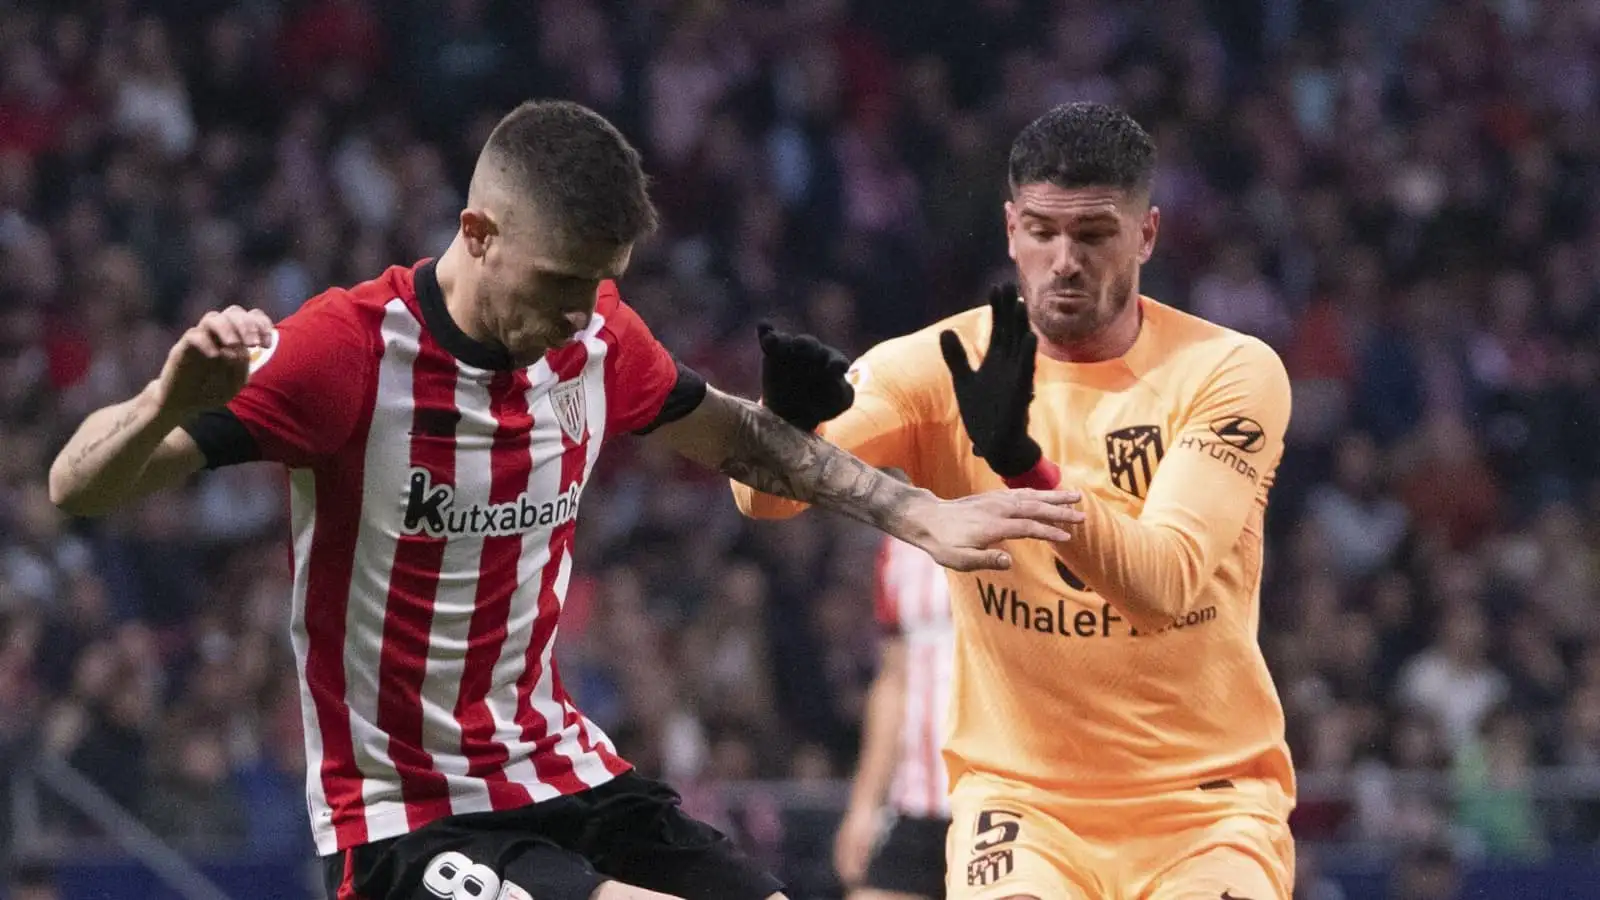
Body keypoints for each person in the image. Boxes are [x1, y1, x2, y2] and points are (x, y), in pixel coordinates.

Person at [46, 100, 1086, 900]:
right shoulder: (345, 353)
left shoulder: (595, 337)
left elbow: (741, 437)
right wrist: (160, 400)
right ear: (479, 232)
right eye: (557, 284)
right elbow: (79, 484)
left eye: (601, 283)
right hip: (407, 819)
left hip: (562, 772)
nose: (577, 313)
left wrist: (921, 514)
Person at [735, 101, 1296, 900]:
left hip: (1204, 807)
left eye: (1095, 234)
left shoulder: (1228, 371)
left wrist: (1024, 465)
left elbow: (1162, 583)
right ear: (1009, 228)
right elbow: (765, 504)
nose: (1064, 260)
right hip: (1024, 807)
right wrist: (778, 431)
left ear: (1147, 235)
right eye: (1042, 231)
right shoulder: (940, 368)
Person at [833, 536, 953, 900]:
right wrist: (864, 806)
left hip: (1008, 800)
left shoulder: (1023, 522)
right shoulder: (899, 545)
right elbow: (893, 678)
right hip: (919, 800)